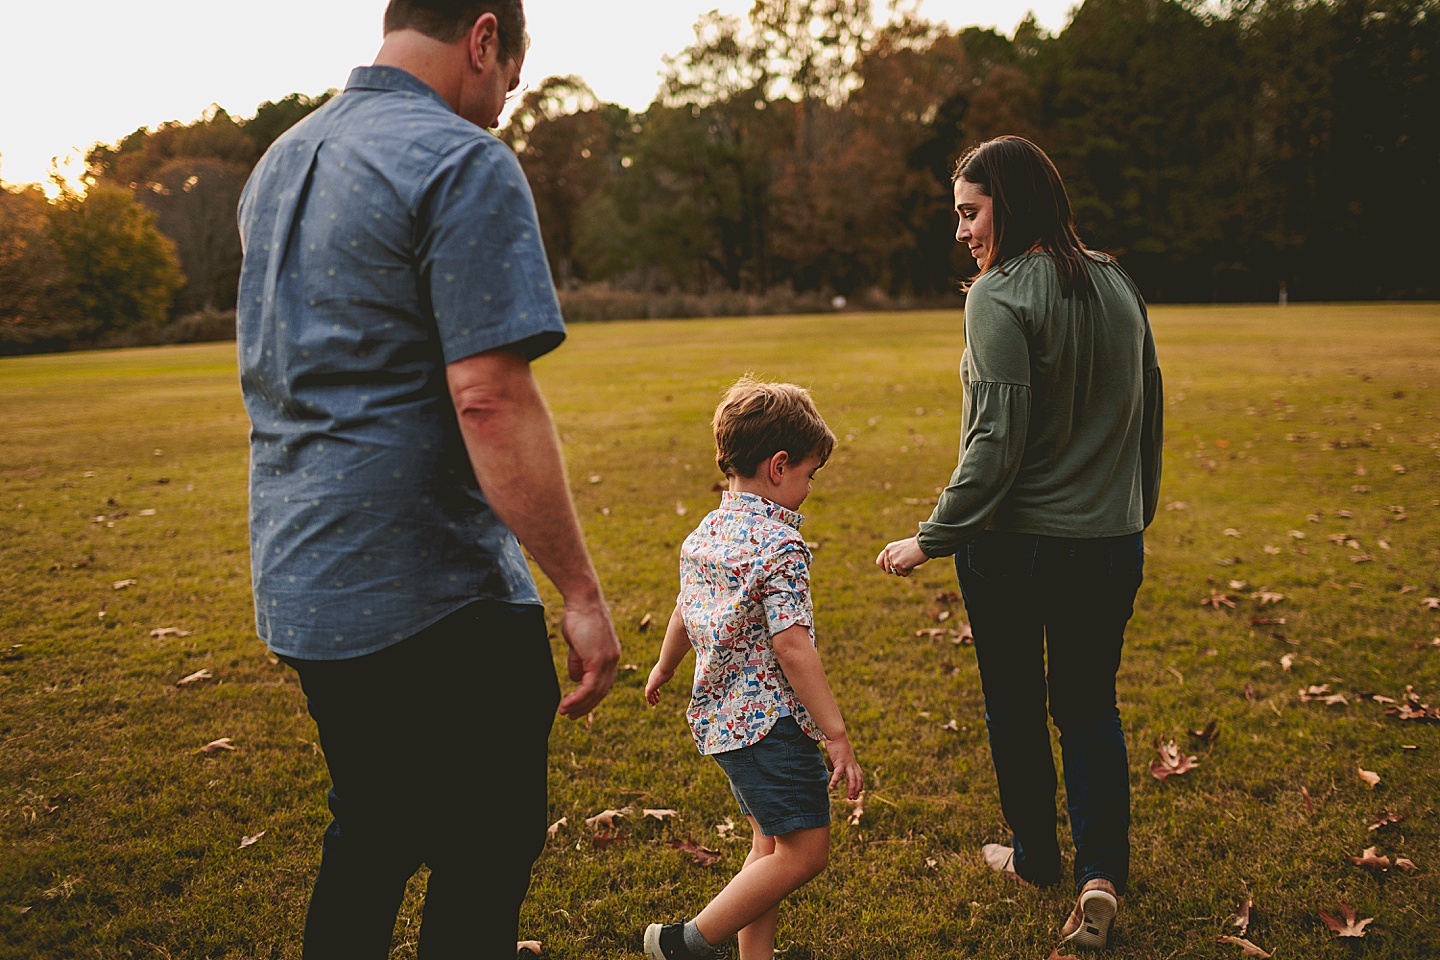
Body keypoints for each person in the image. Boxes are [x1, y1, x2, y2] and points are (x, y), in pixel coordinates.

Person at [234, 2, 621, 956]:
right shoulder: (458, 159)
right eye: (509, 71)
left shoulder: (278, 160)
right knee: (488, 848)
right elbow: (489, 397)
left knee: (370, 830)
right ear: (483, 38)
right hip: (426, 589)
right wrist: (579, 588)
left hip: (298, 583)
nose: (509, 96)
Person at [875, 136, 1163, 950]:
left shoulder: (997, 295)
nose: (962, 231)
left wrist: (930, 539)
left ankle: (1037, 859)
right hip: (1110, 542)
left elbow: (995, 443)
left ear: (1012, 201)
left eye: (971, 212)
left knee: (1015, 704)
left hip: (1014, 548)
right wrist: (1130, 510)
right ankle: (1100, 873)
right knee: (1088, 705)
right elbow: (1152, 416)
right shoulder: (1119, 282)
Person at [644, 378, 864, 960]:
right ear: (779, 465)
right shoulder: (780, 545)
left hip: (722, 724)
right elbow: (793, 648)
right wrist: (836, 736)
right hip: (769, 727)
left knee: (768, 845)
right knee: (806, 851)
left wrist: (665, 666)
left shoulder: (707, 532)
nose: (808, 490)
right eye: (809, 476)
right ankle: (688, 944)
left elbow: (685, 609)